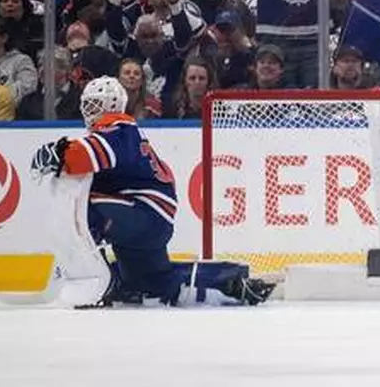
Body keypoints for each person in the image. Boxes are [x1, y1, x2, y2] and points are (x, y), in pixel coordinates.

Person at [30, 76, 276, 308]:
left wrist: (57, 152)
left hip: (143, 214)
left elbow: (81, 156)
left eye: (95, 104)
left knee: (86, 212)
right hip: (150, 220)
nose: (89, 110)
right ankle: (231, 282)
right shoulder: (121, 133)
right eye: (86, 104)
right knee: (154, 285)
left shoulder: (118, 128)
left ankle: (89, 279)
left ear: (112, 105)